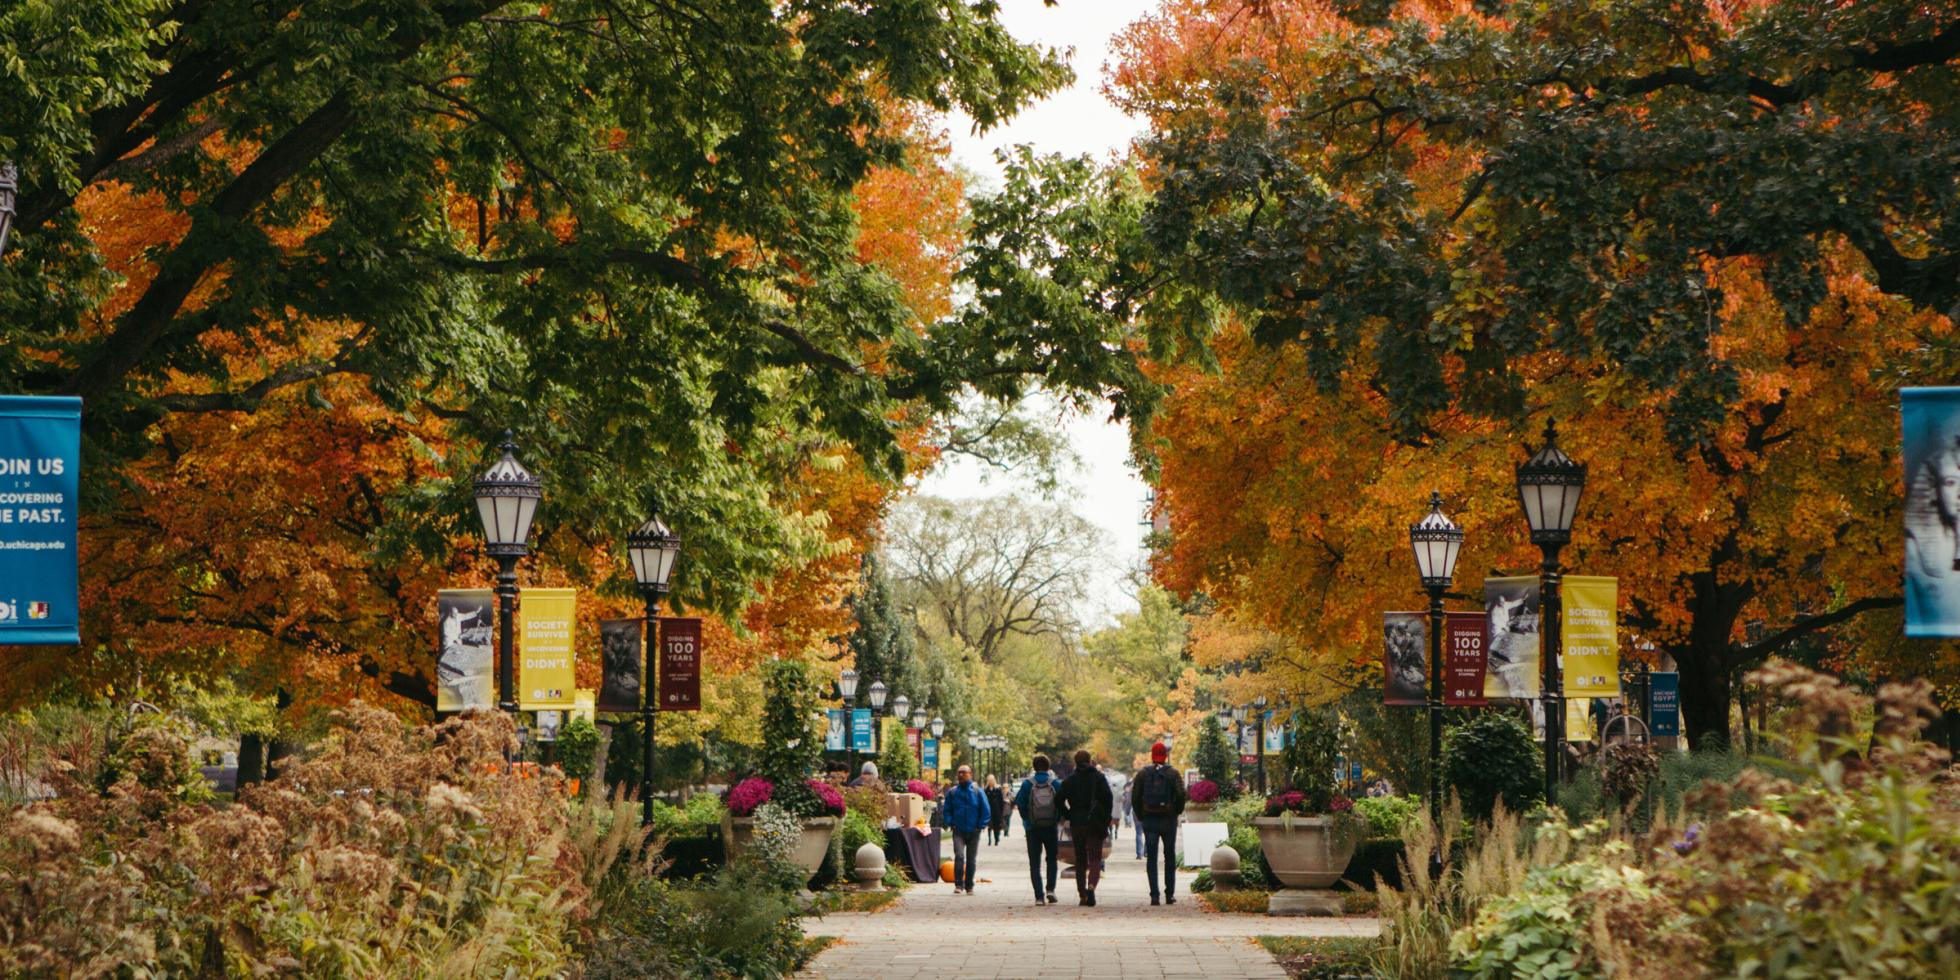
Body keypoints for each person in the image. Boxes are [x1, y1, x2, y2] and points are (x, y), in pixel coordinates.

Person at [1132, 741, 1186, 906]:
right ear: (1166, 755)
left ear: (1152, 755)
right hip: (1168, 819)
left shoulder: (1143, 774)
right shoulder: (1173, 774)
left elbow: (1135, 797)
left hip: (1150, 819)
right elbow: (1181, 794)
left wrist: (1141, 815)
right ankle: (1169, 894)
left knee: (1152, 858)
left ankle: (1154, 895)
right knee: (1169, 856)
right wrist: (1176, 811)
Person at [1058, 750, 1114, 906]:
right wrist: (1105, 818)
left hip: (1077, 823)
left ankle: (1082, 894)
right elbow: (1108, 799)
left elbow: (1058, 799)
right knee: (1095, 858)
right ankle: (1091, 888)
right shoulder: (1099, 778)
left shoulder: (1070, 780)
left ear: (1076, 762)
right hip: (1095, 823)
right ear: (1090, 761)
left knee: (1080, 859)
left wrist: (1068, 814)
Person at [1013, 754, 1063, 906]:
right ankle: (1050, 889)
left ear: (1034, 767)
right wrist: (1057, 819)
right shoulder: (1055, 783)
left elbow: (1020, 803)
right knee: (1052, 859)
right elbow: (1061, 803)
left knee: (1034, 863)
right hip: (1051, 827)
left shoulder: (1028, 784)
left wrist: (1027, 819)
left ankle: (1039, 896)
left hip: (1033, 828)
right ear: (1048, 767)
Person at [940, 765, 990, 894]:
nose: (961, 775)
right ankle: (958, 885)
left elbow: (985, 810)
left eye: (964, 773)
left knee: (971, 859)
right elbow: (947, 810)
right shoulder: (953, 792)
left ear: (970, 774)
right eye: (959, 773)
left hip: (974, 830)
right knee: (959, 856)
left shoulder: (978, 792)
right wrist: (951, 822)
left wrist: (980, 826)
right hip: (958, 830)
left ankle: (969, 886)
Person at [984, 775, 1009, 845]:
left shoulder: (998, 789)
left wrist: (1001, 812)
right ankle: (989, 840)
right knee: (989, 826)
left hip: (997, 811)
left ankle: (996, 839)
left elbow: (1001, 801)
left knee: (996, 826)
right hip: (989, 811)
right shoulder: (986, 790)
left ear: (994, 780)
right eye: (989, 780)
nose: (990, 781)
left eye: (991, 780)